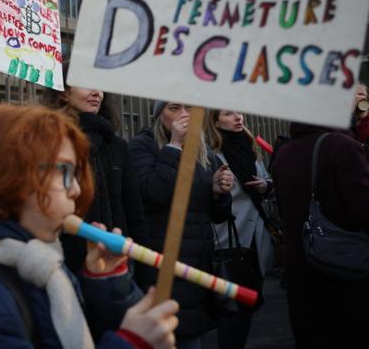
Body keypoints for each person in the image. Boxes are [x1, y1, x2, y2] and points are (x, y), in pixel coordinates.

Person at [0, 104, 180, 348]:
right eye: (66, 173)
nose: (77, 190)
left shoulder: (37, 265)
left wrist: (105, 284)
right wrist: (131, 344)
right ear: (8, 177)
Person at [128, 101, 233, 349]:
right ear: (158, 115)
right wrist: (174, 146)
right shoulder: (142, 146)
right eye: (174, 108)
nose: (184, 115)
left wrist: (219, 192)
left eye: (190, 109)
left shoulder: (203, 152)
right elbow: (153, 193)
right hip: (160, 263)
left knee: (194, 336)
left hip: (197, 265)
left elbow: (218, 215)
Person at [42, 63, 151, 291]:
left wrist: (145, 274)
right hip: (61, 261)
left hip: (116, 259)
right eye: (87, 84)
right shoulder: (49, 140)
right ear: (63, 91)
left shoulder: (117, 146)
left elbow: (134, 213)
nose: (97, 93)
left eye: (100, 87)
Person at [271, 121, 369, 349]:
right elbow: (363, 211)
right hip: (346, 278)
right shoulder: (343, 147)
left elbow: (284, 213)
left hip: (301, 277)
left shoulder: (284, 154)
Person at [206, 110, 274, 349]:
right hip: (230, 240)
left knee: (246, 312)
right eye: (228, 113)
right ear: (215, 121)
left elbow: (266, 181)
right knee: (232, 313)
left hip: (256, 239)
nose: (238, 117)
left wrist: (266, 186)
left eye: (239, 112)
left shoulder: (250, 147)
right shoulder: (211, 155)